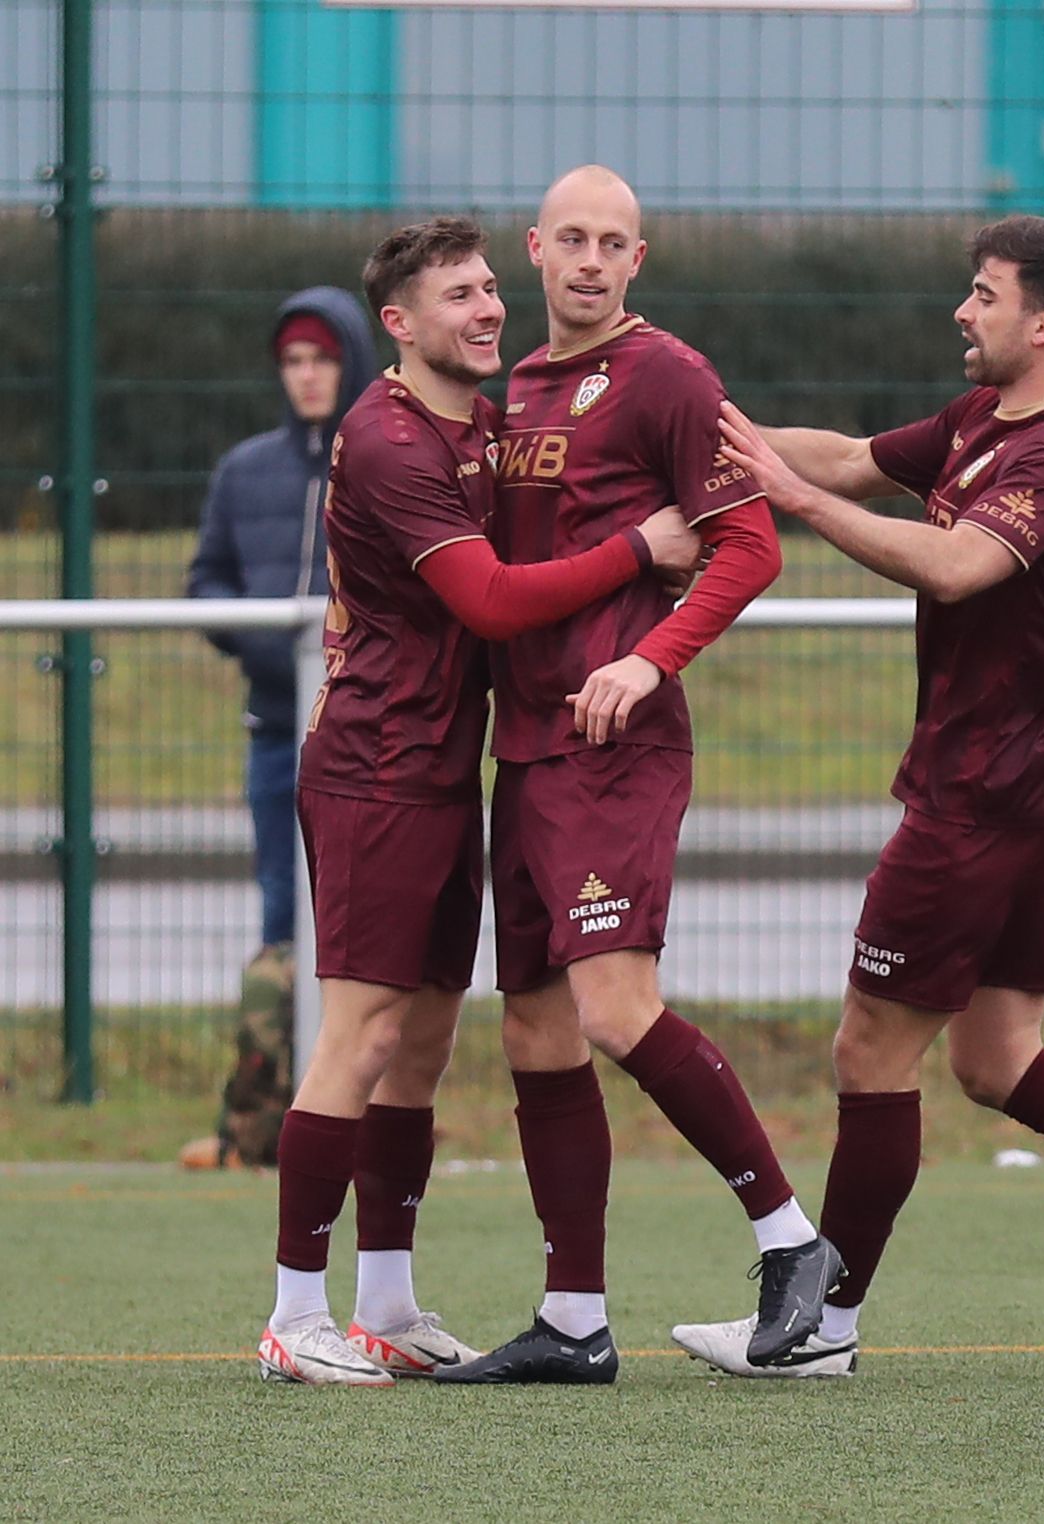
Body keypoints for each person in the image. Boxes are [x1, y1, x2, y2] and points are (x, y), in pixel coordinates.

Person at [667, 216, 1044, 1382]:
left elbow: (952, 564)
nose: (959, 312)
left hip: (981, 801)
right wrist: (695, 440)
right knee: (996, 1056)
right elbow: (843, 458)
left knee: (869, 1052)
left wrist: (791, 501)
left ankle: (825, 1325)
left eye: (981, 295)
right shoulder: (987, 419)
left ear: (1043, 325)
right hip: (1022, 793)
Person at [258, 216, 705, 1386]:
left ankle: (385, 1305)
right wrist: (638, 546)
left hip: (448, 768)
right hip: (371, 769)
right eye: (459, 295)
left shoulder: (489, 420)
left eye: (489, 286)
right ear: (399, 325)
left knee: (421, 1048)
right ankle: (291, 1314)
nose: (490, 307)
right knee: (359, 1037)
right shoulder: (390, 439)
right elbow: (496, 603)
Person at [435, 167, 832, 1386]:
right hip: (528, 746)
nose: (592, 260)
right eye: (573, 240)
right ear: (537, 251)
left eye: (615, 242)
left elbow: (750, 545)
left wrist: (653, 663)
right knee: (540, 1039)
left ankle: (792, 1242)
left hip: (616, 745)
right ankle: (572, 1320)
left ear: (638, 259)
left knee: (612, 1010)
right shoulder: (523, 388)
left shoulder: (668, 374)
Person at [181, 286, 376, 1171]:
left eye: (322, 359)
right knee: (280, 919)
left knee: (365, 933)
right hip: (275, 735)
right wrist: (284, 648)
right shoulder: (244, 471)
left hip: (374, 742)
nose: (307, 376)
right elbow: (208, 586)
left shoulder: (385, 458)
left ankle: (360, 1120)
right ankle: (261, 1129)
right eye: (293, 362)